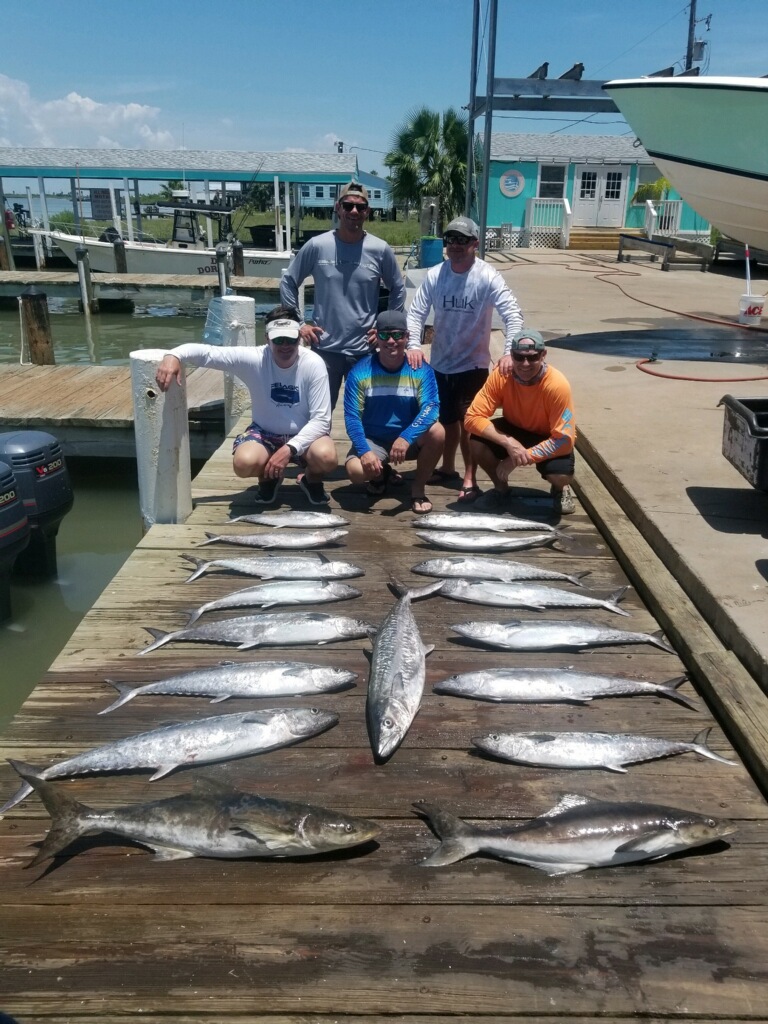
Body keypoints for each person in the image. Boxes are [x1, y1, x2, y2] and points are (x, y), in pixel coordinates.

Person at [155, 305, 337, 506]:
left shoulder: (314, 363)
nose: (285, 345)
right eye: (278, 339)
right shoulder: (254, 358)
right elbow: (208, 353)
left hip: (304, 435)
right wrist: (173, 355)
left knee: (326, 457)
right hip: (265, 432)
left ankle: (310, 479)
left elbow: (321, 420)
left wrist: (287, 450)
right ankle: (268, 478)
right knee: (243, 464)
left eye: (291, 339)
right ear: (267, 338)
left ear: (299, 337)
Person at [405, 215, 524, 503]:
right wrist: (413, 344)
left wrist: (508, 352)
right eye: (450, 239)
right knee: (446, 421)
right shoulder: (436, 274)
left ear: (475, 243)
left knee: (470, 422)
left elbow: (513, 315)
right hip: (440, 363)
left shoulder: (488, 275)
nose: (455, 245)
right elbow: (416, 313)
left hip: (473, 365)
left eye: (462, 240)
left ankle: (470, 476)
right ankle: (447, 468)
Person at [280, 181, 406, 409]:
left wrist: (385, 329)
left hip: (364, 352)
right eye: (348, 206)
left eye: (360, 207)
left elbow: (398, 287)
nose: (354, 211)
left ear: (368, 211)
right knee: (318, 415)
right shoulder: (317, 245)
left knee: (367, 416)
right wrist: (298, 324)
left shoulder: (380, 249)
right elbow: (289, 281)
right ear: (337, 207)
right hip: (324, 351)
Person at [464, 328, 576, 516]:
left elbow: (564, 440)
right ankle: (501, 489)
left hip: (547, 435)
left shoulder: (557, 384)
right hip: (514, 428)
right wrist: (509, 443)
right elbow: (472, 418)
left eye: (532, 357)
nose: (525, 364)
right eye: (518, 357)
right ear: (511, 356)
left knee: (561, 476)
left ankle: (560, 489)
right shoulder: (501, 375)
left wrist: (519, 458)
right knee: (476, 440)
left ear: (543, 355)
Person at [344, 310, 444, 515]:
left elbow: (431, 408)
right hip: (375, 439)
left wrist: (406, 437)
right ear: (375, 337)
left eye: (398, 335)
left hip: (409, 439)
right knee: (355, 472)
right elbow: (352, 417)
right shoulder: (359, 372)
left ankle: (418, 489)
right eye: (384, 335)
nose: (391, 341)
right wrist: (364, 450)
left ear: (407, 337)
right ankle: (381, 475)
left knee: (438, 432)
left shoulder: (422, 370)